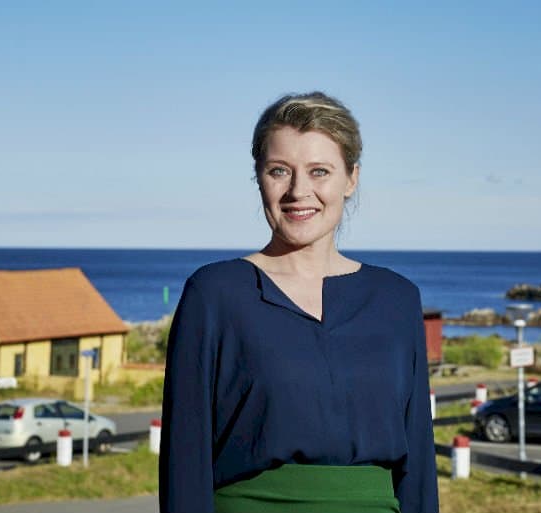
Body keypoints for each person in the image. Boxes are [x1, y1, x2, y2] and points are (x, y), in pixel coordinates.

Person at [159, 92, 439, 513]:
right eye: (279, 171)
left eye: (319, 171)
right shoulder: (214, 294)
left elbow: (418, 468)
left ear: (351, 179)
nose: (298, 191)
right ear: (259, 177)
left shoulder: (397, 300)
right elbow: (184, 461)